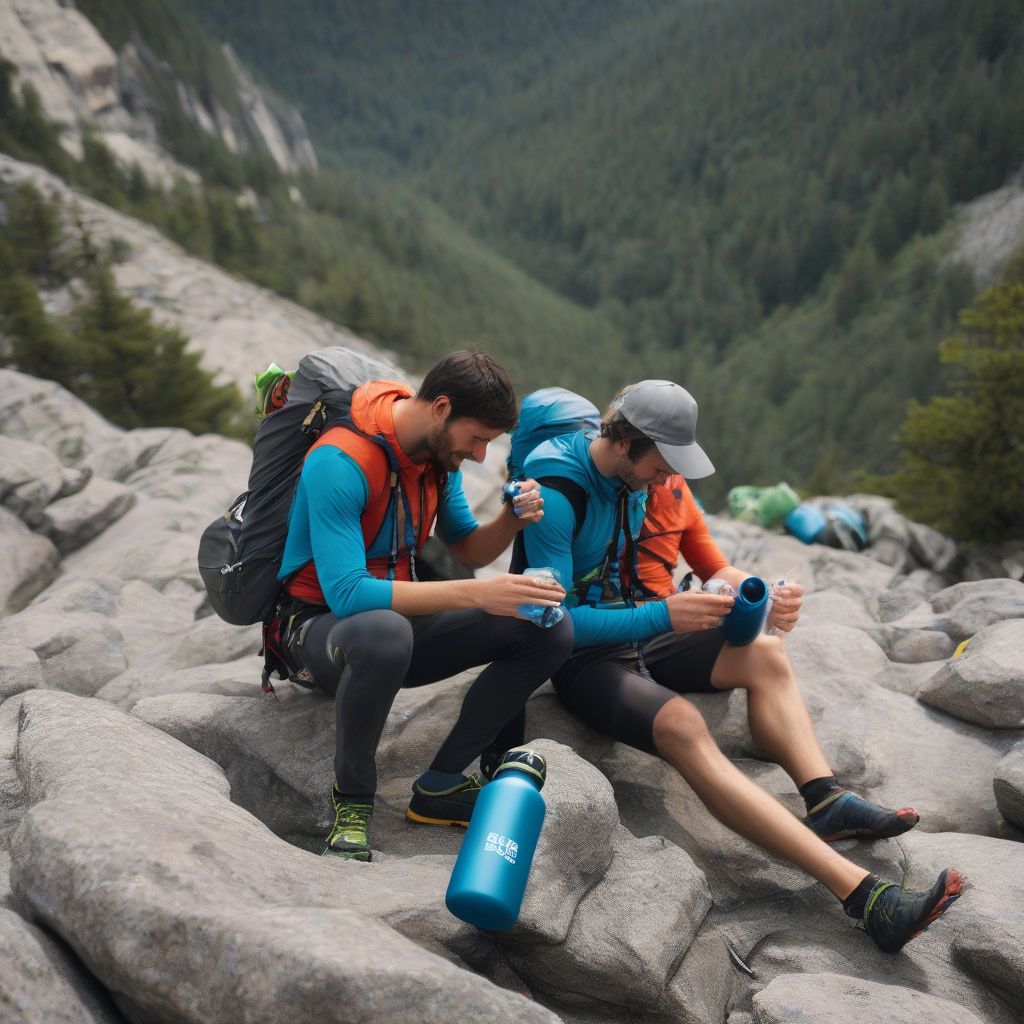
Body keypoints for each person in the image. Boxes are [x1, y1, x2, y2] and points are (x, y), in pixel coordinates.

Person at [517, 379, 962, 953]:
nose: (669, 478)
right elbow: (557, 621)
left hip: (642, 626)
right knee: (683, 725)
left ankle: (826, 800)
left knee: (764, 651)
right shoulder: (557, 486)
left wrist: (756, 597)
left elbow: (702, 566)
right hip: (580, 655)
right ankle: (867, 899)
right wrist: (664, 615)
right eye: (663, 463)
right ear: (627, 442)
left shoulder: (638, 479)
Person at [277, 351, 574, 862]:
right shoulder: (339, 459)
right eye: (477, 438)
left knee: (547, 629)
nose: (481, 455)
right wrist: (480, 593)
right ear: (441, 408)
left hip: (397, 627)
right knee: (384, 633)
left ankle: (440, 786)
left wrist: (510, 520)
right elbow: (347, 593)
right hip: (319, 635)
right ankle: (351, 802)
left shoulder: (437, 461)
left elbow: (469, 548)